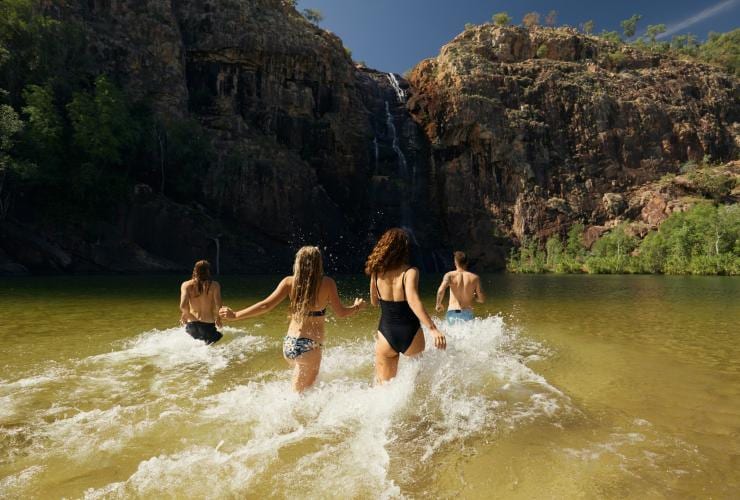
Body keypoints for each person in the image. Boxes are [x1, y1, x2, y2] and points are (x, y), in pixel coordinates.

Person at [219, 246, 365, 393]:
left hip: (289, 344)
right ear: (318, 263)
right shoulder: (327, 283)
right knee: (302, 396)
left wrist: (236, 315)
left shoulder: (289, 282)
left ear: (298, 262)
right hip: (309, 346)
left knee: (300, 392)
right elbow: (341, 313)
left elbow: (265, 305)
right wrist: (357, 307)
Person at [366, 228, 446, 384]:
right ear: (404, 249)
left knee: (384, 389)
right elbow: (413, 300)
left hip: (386, 333)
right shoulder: (410, 272)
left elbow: (374, 302)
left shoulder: (376, 272)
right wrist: (433, 328)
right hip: (411, 333)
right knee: (415, 389)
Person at [180, 260, 223, 345]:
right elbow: (219, 305)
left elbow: (183, 306)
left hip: (192, 323)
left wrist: (186, 315)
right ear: (208, 271)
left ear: (195, 270)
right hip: (208, 324)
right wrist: (218, 318)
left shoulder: (186, 285)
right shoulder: (214, 285)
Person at [435, 251, 485, 323]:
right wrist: (476, 298)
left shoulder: (449, 275)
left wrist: (438, 304)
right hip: (467, 313)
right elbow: (481, 299)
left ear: (455, 262)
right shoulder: (475, 278)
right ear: (467, 262)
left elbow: (440, 290)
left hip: (452, 312)